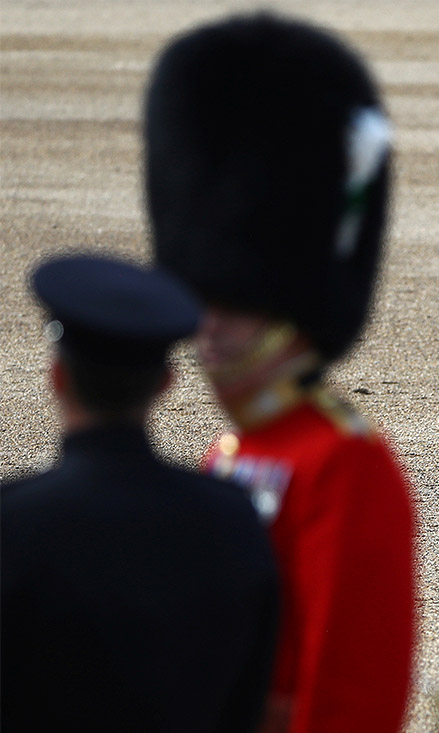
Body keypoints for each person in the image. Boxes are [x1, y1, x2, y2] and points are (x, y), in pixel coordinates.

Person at [143, 14, 417, 732]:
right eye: (202, 300)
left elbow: (347, 695)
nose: (207, 327)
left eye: (231, 305)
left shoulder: (345, 464)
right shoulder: (233, 456)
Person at [1, 254, 279, 732]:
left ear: (57, 377)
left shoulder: (14, 521)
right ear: (166, 385)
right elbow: (251, 697)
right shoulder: (232, 517)